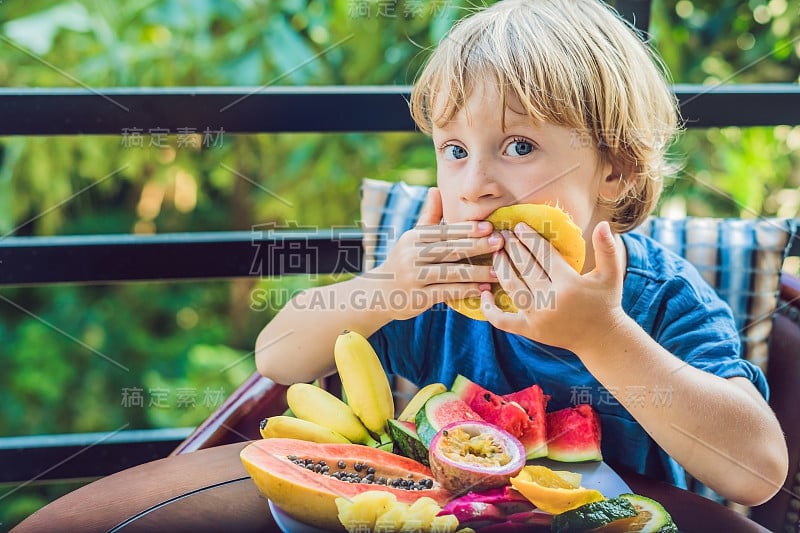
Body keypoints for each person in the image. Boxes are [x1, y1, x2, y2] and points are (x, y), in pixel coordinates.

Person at [255, 0, 787, 506]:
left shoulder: (663, 297)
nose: (475, 185)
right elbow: (276, 356)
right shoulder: (434, 291)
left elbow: (758, 472)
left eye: (519, 147)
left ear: (615, 170)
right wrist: (386, 289)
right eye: (456, 150)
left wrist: (601, 335)